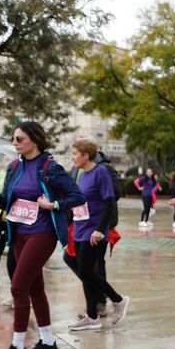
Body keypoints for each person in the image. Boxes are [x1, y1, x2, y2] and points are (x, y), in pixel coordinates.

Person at [0, 122, 85, 349]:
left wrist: (53, 205)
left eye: (19, 138)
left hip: (41, 234)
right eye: (13, 138)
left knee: (18, 286)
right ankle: (48, 341)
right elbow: (8, 199)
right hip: (18, 232)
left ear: (34, 140)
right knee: (34, 288)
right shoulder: (14, 167)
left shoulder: (49, 167)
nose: (15, 143)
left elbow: (77, 196)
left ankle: (17, 347)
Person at [66, 139, 130, 331]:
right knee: (86, 273)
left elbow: (110, 203)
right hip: (79, 229)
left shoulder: (100, 172)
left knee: (86, 271)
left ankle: (118, 300)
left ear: (86, 155)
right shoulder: (81, 174)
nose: (73, 157)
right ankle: (92, 316)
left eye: (75, 154)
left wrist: (100, 230)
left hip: (93, 231)